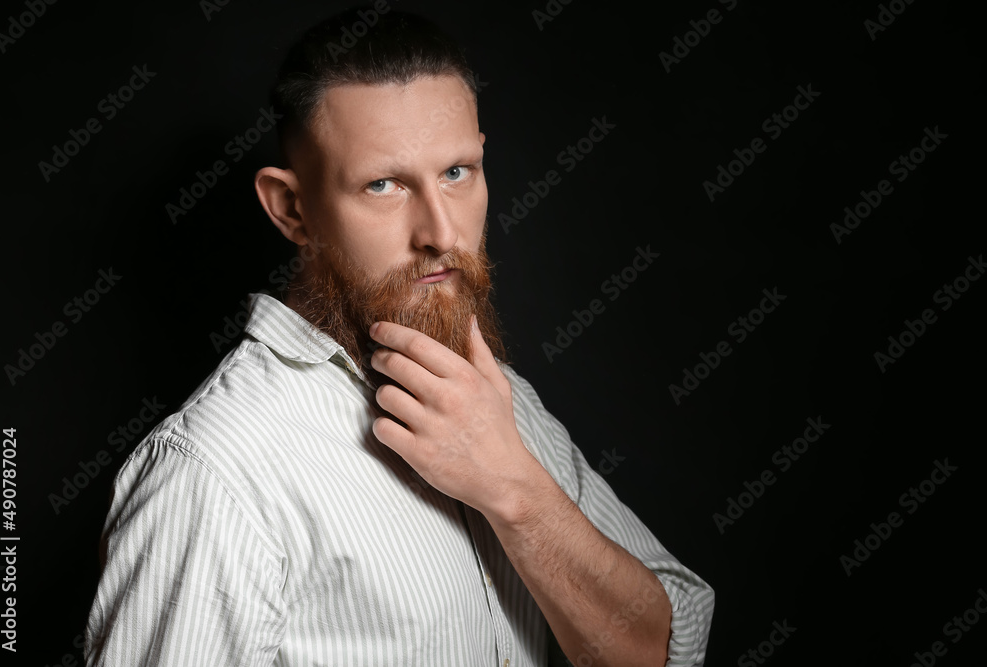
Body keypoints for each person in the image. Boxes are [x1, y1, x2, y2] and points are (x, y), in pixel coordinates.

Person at [85, 9, 713, 666]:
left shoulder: (495, 402)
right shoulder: (217, 471)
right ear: (290, 209)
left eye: (457, 173)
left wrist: (515, 489)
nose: (441, 231)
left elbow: (670, 648)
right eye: (383, 184)